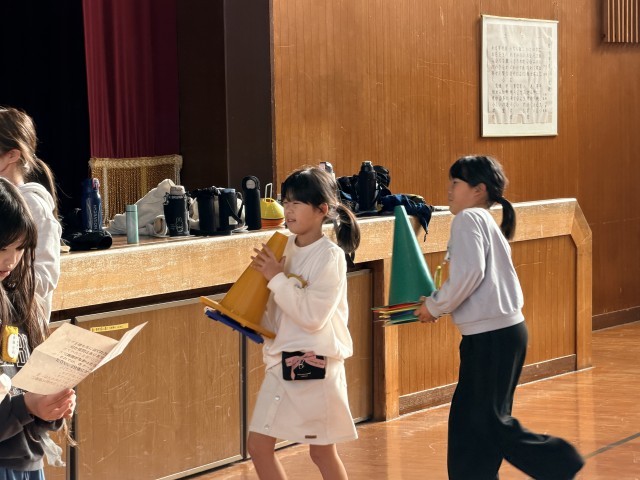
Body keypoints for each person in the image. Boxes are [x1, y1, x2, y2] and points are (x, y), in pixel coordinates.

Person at [414, 155, 584, 480]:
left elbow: (469, 273)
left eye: (456, 183)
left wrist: (434, 306)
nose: (449, 189)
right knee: (469, 423)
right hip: (498, 336)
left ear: (478, 190)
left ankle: (561, 461)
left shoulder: (467, 219)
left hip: (492, 338)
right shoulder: (481, 219)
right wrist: (438, 303)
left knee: (487, 420)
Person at [247, 166, 360, 480]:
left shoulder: (330, 256)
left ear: (322, 210)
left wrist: (276, 277)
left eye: (297, 202)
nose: (289, 209)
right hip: (282, 360)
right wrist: (247, 318)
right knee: (259, 446)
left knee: (320, 451)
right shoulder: (283, 248)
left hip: (313, 363)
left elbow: (312, 317)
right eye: (286, 201)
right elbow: (276, 310)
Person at [0, 178, 76, 479]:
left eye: (20, 247)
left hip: (27, 461)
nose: (11, 259)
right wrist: (27, 407)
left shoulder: (18, 296)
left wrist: (52, 406)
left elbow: (25, 384)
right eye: (2, 247)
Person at [0, 106, 62, 323]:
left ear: (12, 155)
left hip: (21, 326)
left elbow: (46, 275)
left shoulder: (33, 204)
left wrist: (10, 286)